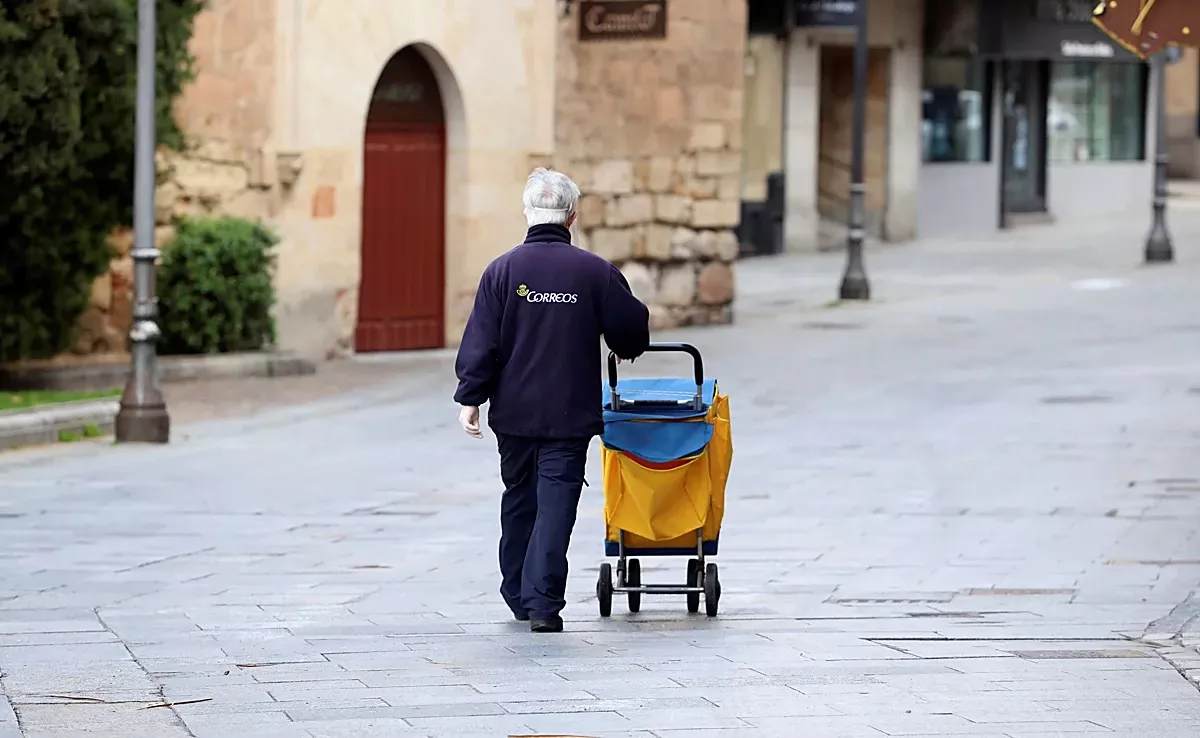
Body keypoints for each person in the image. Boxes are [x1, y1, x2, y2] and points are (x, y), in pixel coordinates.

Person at [453, 168, 650, 633]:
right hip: (569, 414)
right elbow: (632, 331)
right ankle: (543, 603)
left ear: (526, 213)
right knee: (556, 502)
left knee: (519, 497)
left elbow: (482, 341)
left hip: (514, 413)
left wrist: (470, 397)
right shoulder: (595, 272)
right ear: (572, 217)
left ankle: (518, 594)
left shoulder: (501, 271)